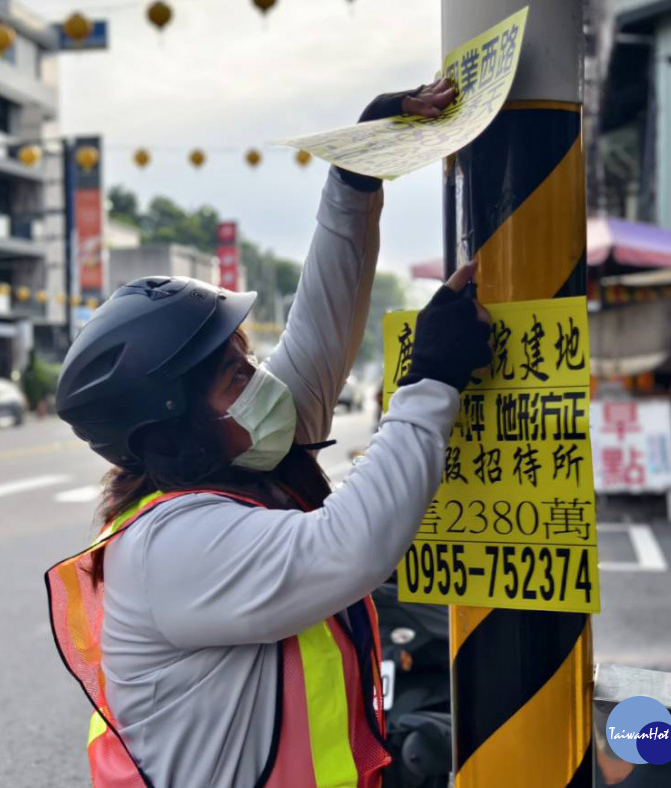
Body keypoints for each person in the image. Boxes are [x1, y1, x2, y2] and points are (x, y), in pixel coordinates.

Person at [47, 79, 492, 788]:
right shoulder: (169, 549)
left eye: (246, 358)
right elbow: (349, 546)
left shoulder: (246, 462)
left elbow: (321, 327)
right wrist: (430, 380)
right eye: (233, 374)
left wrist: (358, 171)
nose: (258, 380)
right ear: (178, 423)